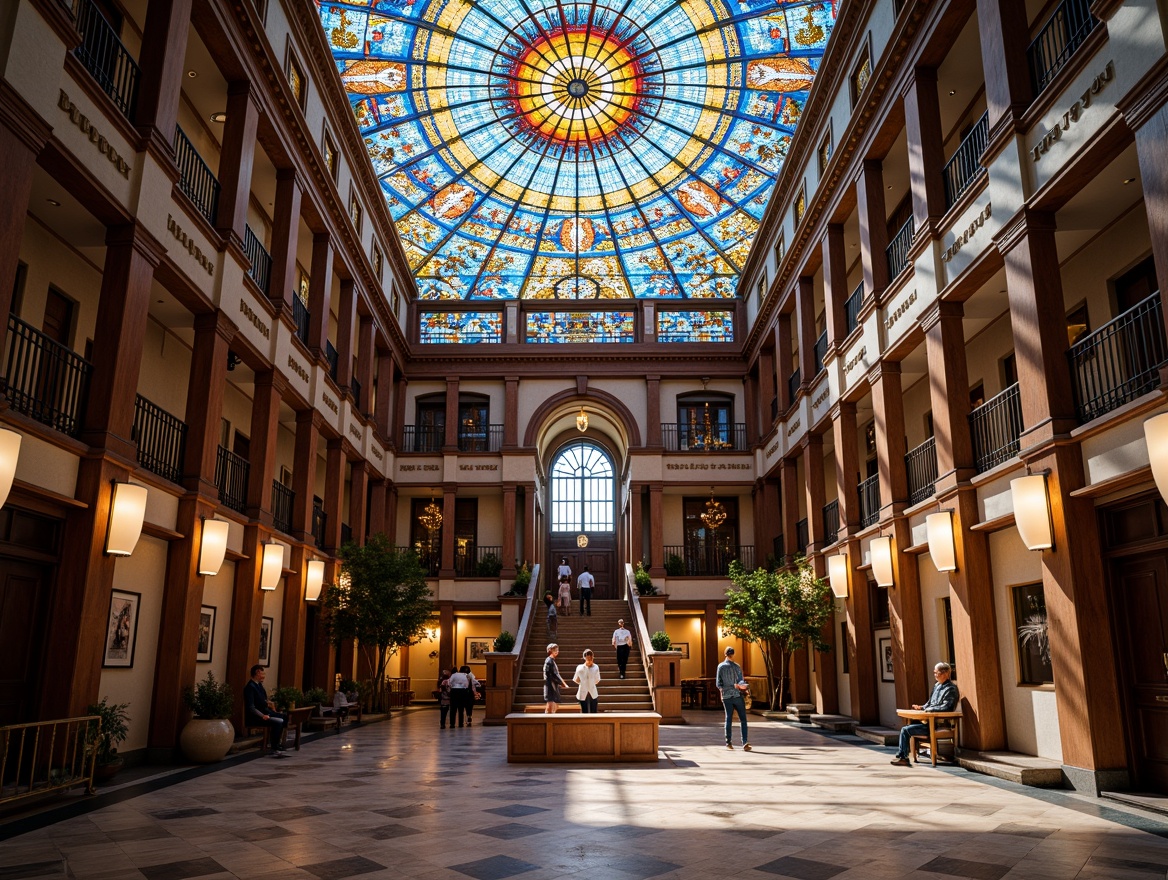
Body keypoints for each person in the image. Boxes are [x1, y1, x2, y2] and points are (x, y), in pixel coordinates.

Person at [890, 661, 959, 766]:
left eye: (937, 673)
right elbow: (930, 702)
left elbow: (946, 707)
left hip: (937, 724)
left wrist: (929, 710)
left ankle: (903, 757)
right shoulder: (937, 686)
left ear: (945, 674)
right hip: (927, 722)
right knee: (908, 727)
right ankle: (903, 755)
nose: (935, 675)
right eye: (934, 672)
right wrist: (922, 707)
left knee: (905, 730)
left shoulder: (951, 689)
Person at [243, 665, 287, 757]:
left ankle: (278, 743)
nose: (264, 676)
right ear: (258, 672)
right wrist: (262, 716)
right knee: (279, 721)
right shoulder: (250, 687)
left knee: (284, 717)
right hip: (256, 717)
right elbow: (251, 707)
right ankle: (274, 747)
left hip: (266, 712)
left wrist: (271, 705)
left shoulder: (259, 685)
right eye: (263, 673)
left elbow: (264, 700)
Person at [716, 647, 751, 751]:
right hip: (737, 695)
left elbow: (718, 683)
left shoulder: (720, 667)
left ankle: (728, 743)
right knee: (743, 719)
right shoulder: (737, 667)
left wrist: (722, 693)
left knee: (728, 718)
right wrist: (743, 687)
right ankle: (744, 742)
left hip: (726, 696)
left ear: (725, 654)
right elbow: (741, 682)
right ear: (733, 654)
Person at [573, 649, 601, 713]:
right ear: (584, 657)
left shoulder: (595, 667)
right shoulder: (579, 667)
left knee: (593, 710)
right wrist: (583, 683)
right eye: (587, 657)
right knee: (584, 711)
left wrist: (590, 683)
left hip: (592, 691)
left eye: (590, 657)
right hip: (582, 691)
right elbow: (576, 679)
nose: (589, 658)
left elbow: (597, 680)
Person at [543, 643, 566, 713]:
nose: (557, 651)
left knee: (553, 704)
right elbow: (553, 674)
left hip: (552, 684)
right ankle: (547, 720)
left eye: (557, 650)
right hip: (550, 685)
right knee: (550, 704)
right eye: (554, 650)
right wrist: (562, 683)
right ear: (550, 651)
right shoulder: (549, 661)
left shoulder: (551, 660)